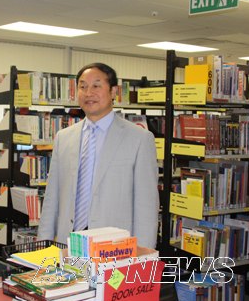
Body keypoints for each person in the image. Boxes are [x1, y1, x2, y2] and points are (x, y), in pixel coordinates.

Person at [37, 63, 159, 248]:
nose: (88, 93)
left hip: (114, 247)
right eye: (83, 86)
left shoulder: (140, 139)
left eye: (96, 85)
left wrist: (143, 254)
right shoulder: (64, 137)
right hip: (68, 243)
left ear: (113, 91)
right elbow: (52, 197)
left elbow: (146, 206)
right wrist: (42, 245)